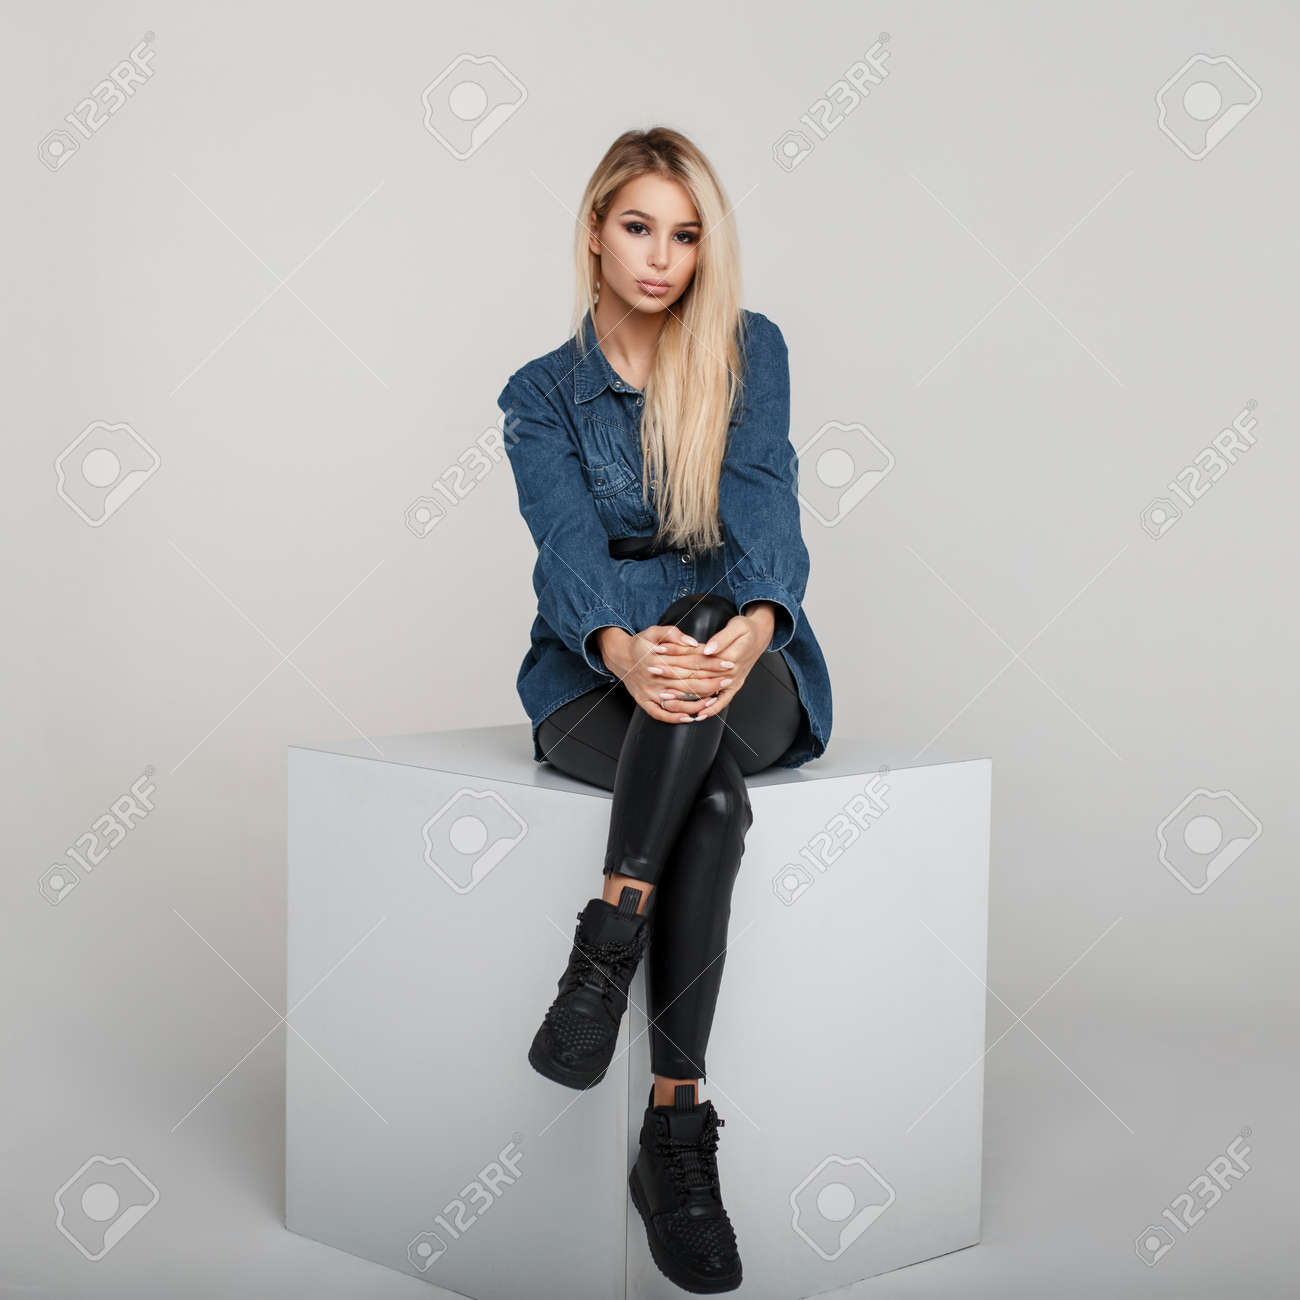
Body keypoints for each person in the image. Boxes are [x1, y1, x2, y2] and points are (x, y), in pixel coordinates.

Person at [496, 126, 832, 1294]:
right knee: (715, 808)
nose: (660, 258)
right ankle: (674, 1135)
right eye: (638, 227)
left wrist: (755, 622)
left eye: (685, 236)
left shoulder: (747, 349)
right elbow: (564, 548)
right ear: (594, 229)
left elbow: (764, 499)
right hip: (594, 681)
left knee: (699, 615)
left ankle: (605, 947)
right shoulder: (541, 394)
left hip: (742, 667)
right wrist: (616, 649)